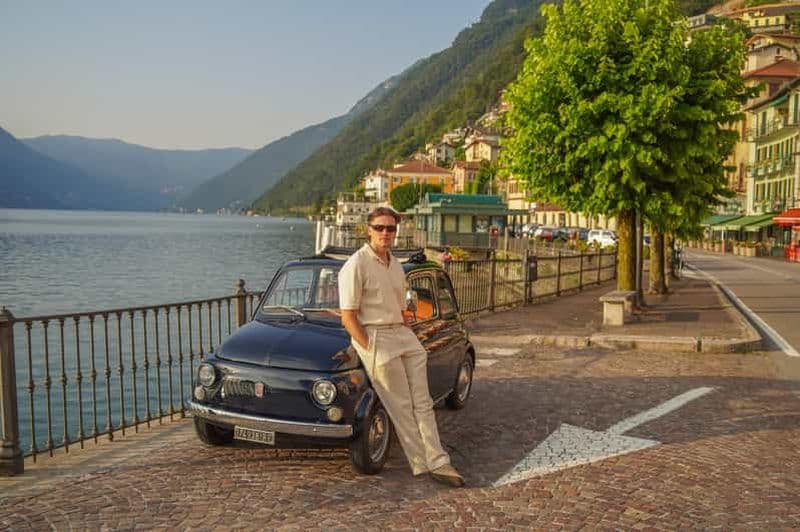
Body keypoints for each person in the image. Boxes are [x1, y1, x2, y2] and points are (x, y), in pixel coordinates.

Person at [338, 206, 465, 487]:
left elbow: (402, 304)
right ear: (368, 230)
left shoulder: (395, 264)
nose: (386, 233)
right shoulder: (356, 265)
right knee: (402, 406)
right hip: (377, 338)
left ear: (396, 232)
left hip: (403, 335)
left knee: (423, 403)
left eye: (391, 228)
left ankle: (438, 459)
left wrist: (406, 322)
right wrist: (369, 346)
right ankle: (428, 464)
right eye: (380, 228)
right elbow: (348, 316)